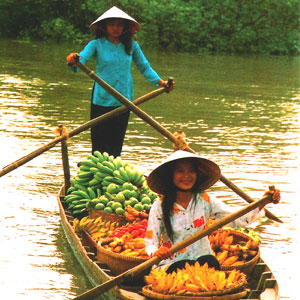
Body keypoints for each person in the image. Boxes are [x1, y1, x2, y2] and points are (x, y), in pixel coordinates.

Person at [144, 150, 280, 272]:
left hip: (203, 264)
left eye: (191, 171)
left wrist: (263, 202)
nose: (186, 176)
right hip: (172, 265)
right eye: (180, 171)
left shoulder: (205, 200)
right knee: (177, 270)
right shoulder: (160, 206)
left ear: (197, 174)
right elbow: (151, 242)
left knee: (209, 266)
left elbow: (235, 219)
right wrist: (157, 252)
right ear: (171, 175)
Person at [66, 6, 174, 157]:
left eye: (119, 24)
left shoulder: (131, 45)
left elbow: (144, 67)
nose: (115, 28)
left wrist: (160, 82)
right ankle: (97, 170)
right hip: (101, 99)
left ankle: (114, 172)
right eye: (111, 24)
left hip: (124, 99)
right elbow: (81, 60)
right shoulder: (96, 44)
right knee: (99, 144)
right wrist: (73, 60)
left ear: (125, 27)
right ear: (104, 26)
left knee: (116, 144)